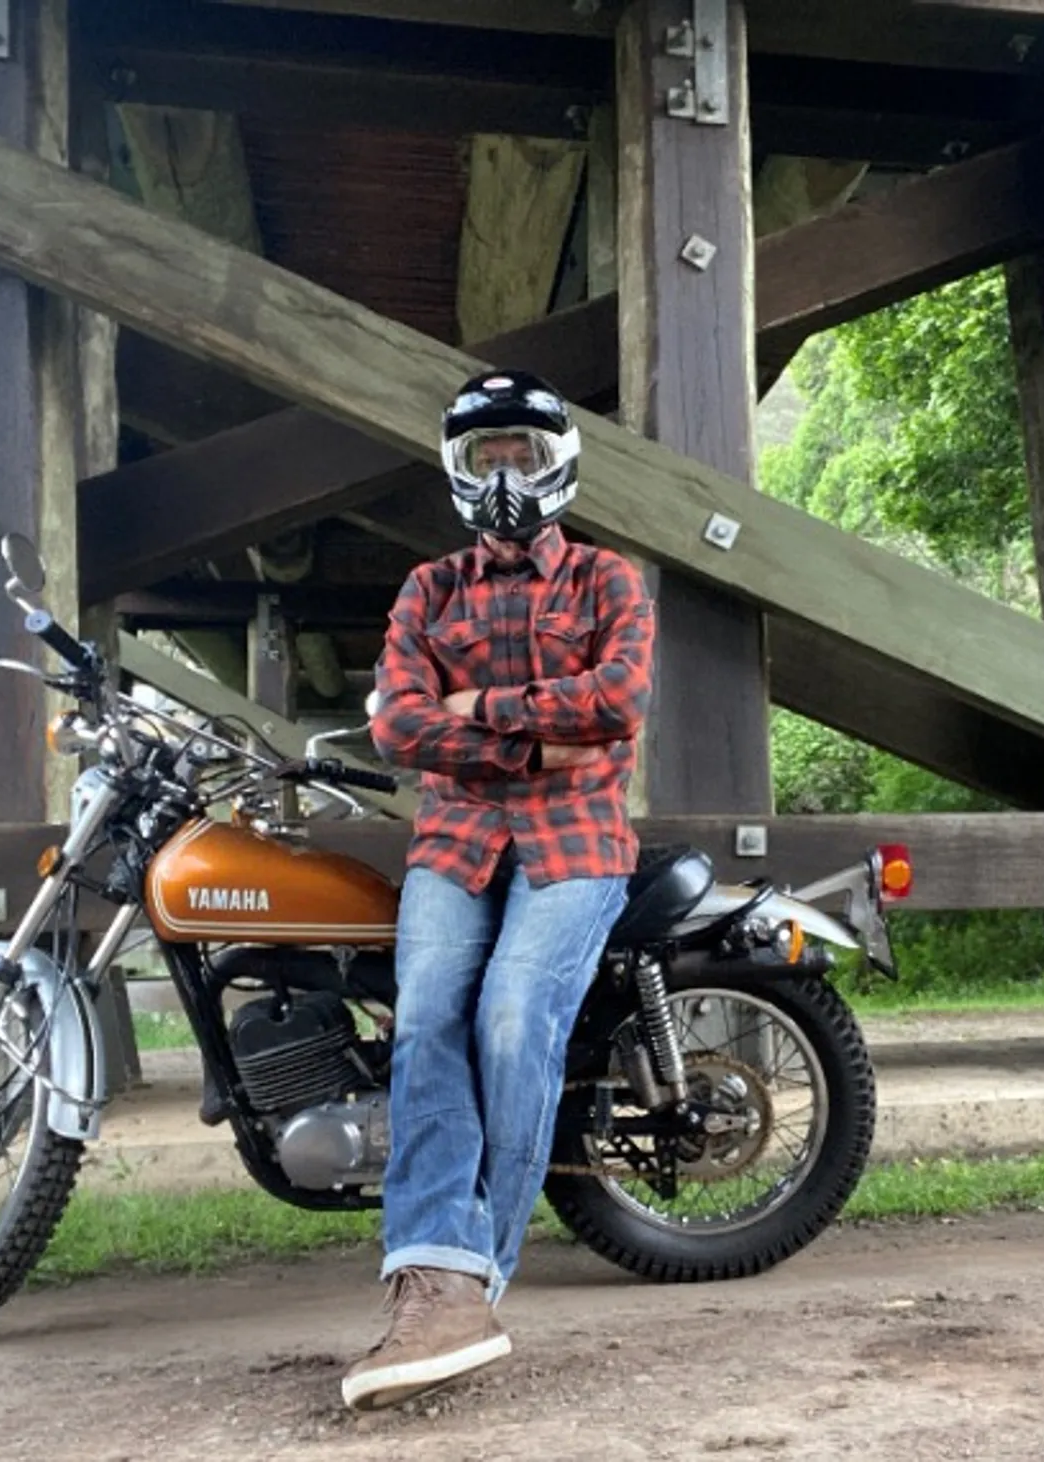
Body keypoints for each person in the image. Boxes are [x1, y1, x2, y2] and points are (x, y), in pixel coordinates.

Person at [343, 370, 656, 1411]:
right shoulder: (426, 590)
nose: (507, 472)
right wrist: (539, 745)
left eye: (522, 450)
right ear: (460, 468)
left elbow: (617, 697)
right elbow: (396, 723)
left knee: (515, 1019)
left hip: (580, 842)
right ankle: (432, 1273)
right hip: (457, 838)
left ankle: (466, 1284)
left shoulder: (608, 579)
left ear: (556, 458)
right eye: (488, 455)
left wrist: (476, 703)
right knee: (427, 1018)